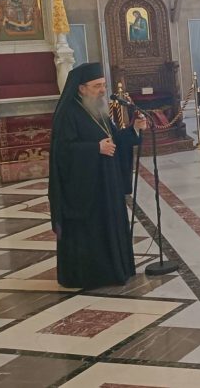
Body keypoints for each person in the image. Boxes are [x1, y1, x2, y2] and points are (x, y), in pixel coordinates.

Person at [48, 62, 147, 289]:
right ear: (81, 88)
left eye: (103, 85)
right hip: (85, 190)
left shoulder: (99, 109)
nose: (102, 90)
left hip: (107, 184)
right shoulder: (68, 113)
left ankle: (115, 269)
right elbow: (62, 153)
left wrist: (134, 130)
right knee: (92, 231)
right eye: (96, 86)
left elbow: (113, 138)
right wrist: (95, 149)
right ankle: (91, 275)